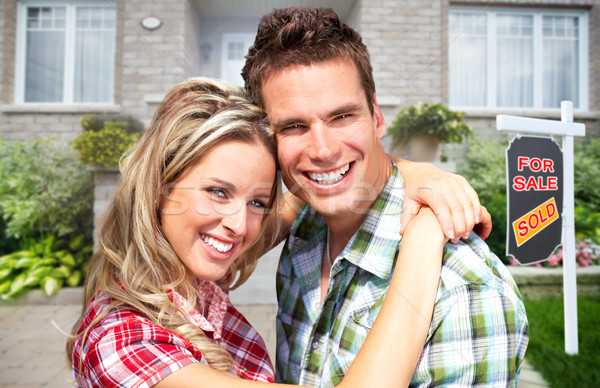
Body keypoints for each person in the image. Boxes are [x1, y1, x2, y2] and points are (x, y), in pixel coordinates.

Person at [65, 77, 469, 387]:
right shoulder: (122, 342)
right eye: (217, 192)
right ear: (159, 187)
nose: (240, 227)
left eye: (258, 202)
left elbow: (317, 177)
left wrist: (414, 173)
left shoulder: (183, 279)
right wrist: (426, 231)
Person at [241, 7, 529, 387]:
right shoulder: (305, 228)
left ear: (376, 117)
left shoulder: (462, 292)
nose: (324, 150)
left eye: (342, 116)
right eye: (294, 126)